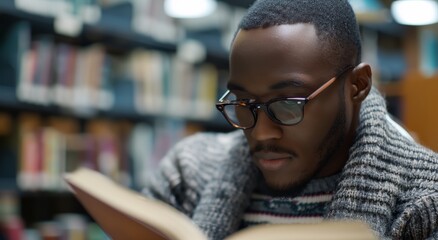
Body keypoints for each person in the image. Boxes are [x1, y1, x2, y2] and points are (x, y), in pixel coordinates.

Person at [142, 0, 438, 239]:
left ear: (357, 86)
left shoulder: (424, 200)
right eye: (244, 103)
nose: (261, 135)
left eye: (287, 105)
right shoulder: (187, 171)